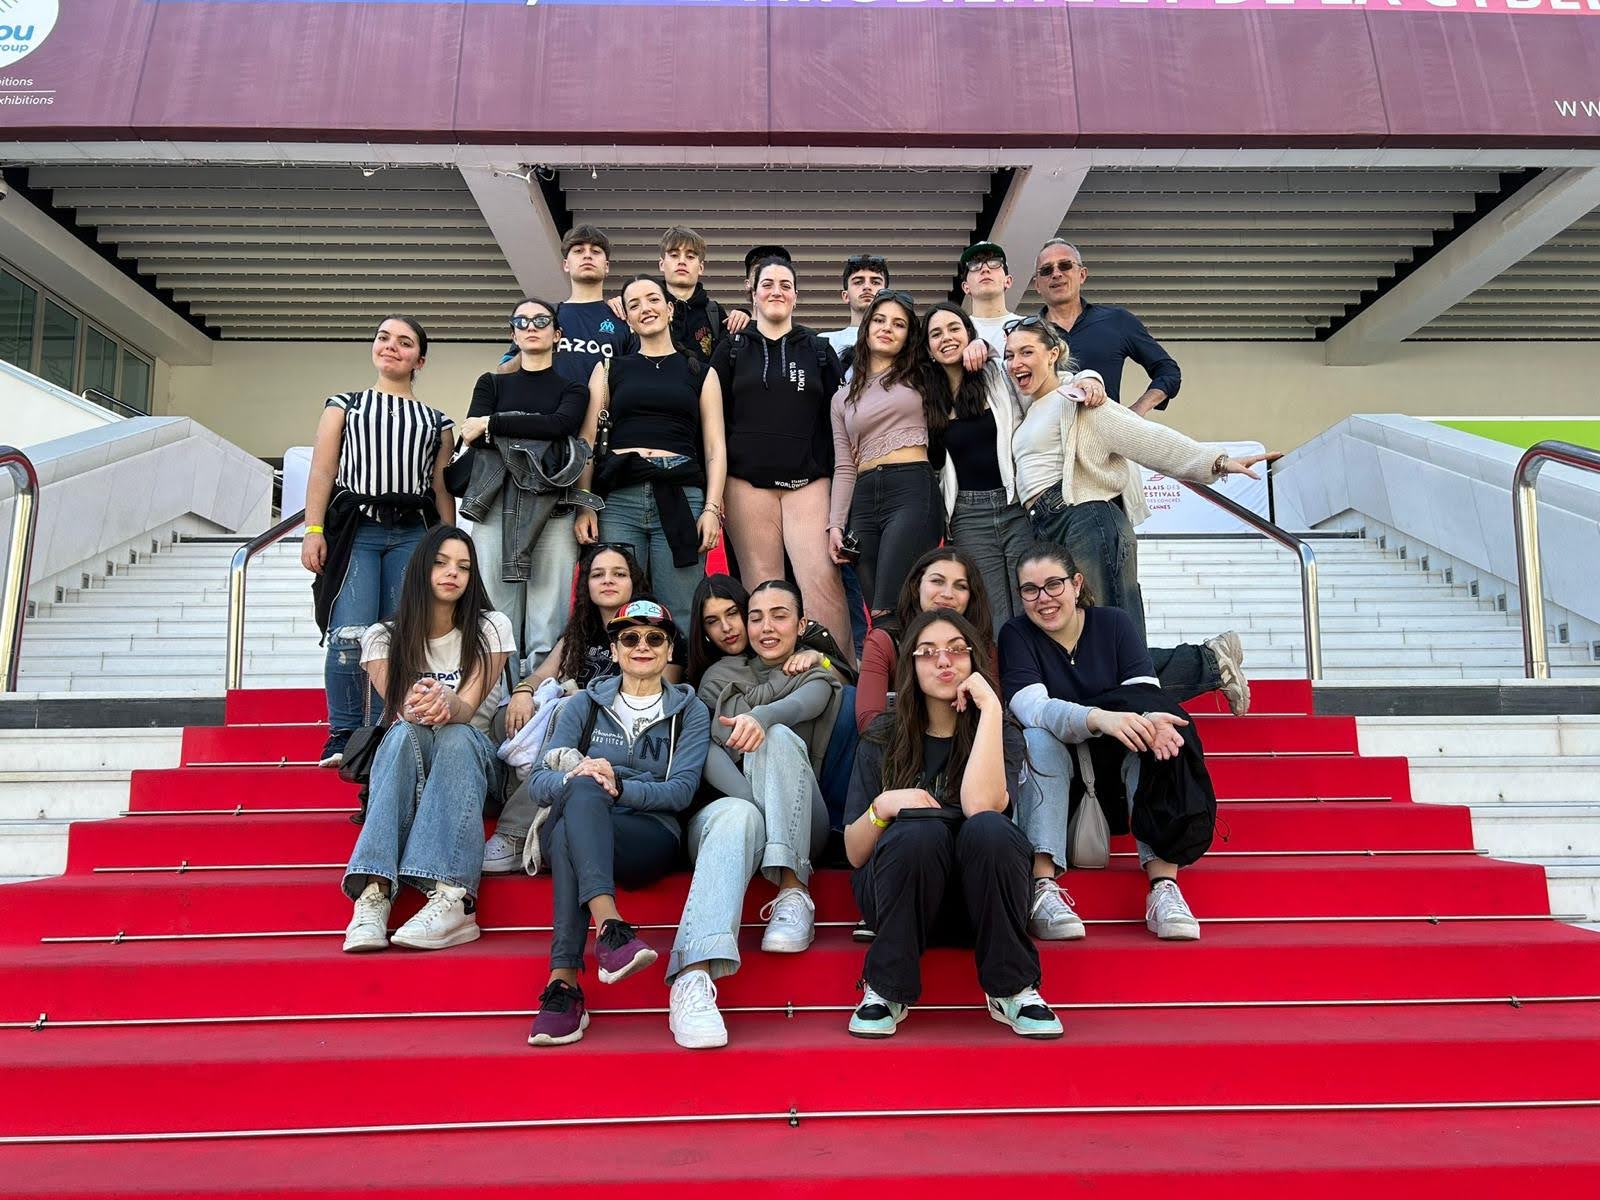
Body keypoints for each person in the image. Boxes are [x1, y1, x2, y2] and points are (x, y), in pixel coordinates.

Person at [1006, 316, 1262, 714]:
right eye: (1009, 355)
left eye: (1027, 352)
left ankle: (1206, 665)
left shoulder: (1076, 400)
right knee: (1094, 646)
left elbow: (1144, 438)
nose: (1016, 362)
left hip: (1085, 519)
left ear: (1053, 354)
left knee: (1106, 645)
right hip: (1048, 525)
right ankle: (1211, 660)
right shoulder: (1029, 411)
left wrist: (1216, 461)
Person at [843, 608, 1061, 1039]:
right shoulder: (884, 734)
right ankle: (886, 988)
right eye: (927, 652)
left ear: (974, 660)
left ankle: (1012, 988)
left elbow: (982, 806)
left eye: (957, 650)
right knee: (919, 831)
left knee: (990, 829)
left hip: (979, 904)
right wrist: (884, 805)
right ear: (910, 665)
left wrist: (991, 709)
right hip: (899, 898)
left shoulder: (1001, 733)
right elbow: (853, 851)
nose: (943, 661)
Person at [1001, 543, 1211, 943]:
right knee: (1037, 738)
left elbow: (1143, 695)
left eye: (1054, 584)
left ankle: (1163, 886)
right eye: (1030, 590)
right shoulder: (1016, 634)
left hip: (1114, 780)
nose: (1043, 598)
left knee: (1157, 733)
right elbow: (1033, 709)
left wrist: (1146, 721)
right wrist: (1099, 718)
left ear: (1076, 584)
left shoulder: (1114, 624)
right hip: (1058, 784)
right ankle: (1042, 886)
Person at [666, 578, 843, 1048]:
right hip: (736, 818)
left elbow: (805, 703)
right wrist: (751, 804)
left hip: (803, 821)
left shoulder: (813, 669)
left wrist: (761, 718)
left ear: (801, 624)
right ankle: (692, 977)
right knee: (735, 817)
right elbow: (702, 746)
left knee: (778, 736)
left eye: (779, 616)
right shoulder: (716, 677)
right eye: (757, 617)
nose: (765, 627)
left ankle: (793, 892)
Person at [525, 600, 711, 1046]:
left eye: (655, 638)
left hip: (647, 834)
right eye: (630, 637)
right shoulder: (583, 706)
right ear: (614, 649)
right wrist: (581, 776)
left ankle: (564, 984)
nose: (642, 646)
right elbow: (538, 782)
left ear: (669, 649)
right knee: (581, 791)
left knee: (575, 817)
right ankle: (610, 929)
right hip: (583, 816)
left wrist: (618, 785)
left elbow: (680, 791)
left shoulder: (690, 711)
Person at [341, 526, 514, 953]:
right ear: (420, 568)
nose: (453, 573)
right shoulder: (382, 636)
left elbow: (468, 708)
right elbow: (404, 708)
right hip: (411, 762)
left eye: (464, 567)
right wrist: (422, 703)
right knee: (405, 731)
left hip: (473, 766)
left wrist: (447, 702)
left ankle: (453, 897)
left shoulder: (491, 627)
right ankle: (374, 893)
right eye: (441, 563)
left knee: (456, 734)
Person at [303, 316, 455, 768]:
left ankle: (388, 728)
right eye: (384, 338)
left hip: (413, 533)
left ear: (419, 360)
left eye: (405, 342)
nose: (391, 346)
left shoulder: (438, 422)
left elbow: (440, 489)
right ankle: (343, 732)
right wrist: (313, 530)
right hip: (358, 530)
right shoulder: (344, 405)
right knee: (349, 633)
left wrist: (447, 547)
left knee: (399, 635)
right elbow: (323, 471)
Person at [480, 543, 682, 873]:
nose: (608, 580)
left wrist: (583, 700)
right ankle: (506, 799)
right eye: (598, 574)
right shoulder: (580, 630)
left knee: (566, 712)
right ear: (586, 584)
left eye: (619, 574)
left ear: (634, 582)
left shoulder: (654, 629)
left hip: (617, 731)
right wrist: (523, 691)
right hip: (571, 720)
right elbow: (543, 673)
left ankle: (515, 833)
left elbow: (659, 695)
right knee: (506, 715)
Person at [711, 257, 853, 660]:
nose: (777, 291)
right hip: (746, 484)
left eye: (785, 285)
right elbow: (713, 421)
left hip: (808, 482)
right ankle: (772, 676)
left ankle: (838, 673)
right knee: (763, 588)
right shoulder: (732, 348)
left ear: (796, 296)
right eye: (768, 284)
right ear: (752, 292)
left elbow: (838, 421)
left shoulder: (819, 350)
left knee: (821, 580)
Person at [574, 274, 727, 628]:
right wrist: (585, 504)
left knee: (682, 610)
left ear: (669, 309)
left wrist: (711, 508)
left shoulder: (701, 372)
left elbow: (715, 446)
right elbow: (587, 440)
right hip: (619, 498)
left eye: (653, 299)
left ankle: (681, 667)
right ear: (627, 319)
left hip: (681, 495)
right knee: (617, 606)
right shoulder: (609, 368)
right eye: (635, 304)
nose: (645, 308)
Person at [458, 297, 592, 669]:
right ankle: (494, 691)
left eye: (541, 320)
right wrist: (533, 428)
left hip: (554, 505)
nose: (531, 326)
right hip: (495, 503)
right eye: (521, 321)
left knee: (549, 613)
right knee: (496, 610)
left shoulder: (574, 389)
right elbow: (473, 436)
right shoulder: (491, 383)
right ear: (513, 334)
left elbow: (561, 426)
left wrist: (495, 423)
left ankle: (539, 692)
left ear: (557, 334)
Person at [827, 290, 945, 621]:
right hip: (863, 500)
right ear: (866, 327)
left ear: (909, 336)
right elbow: (844, 466)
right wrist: (835, 524)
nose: (887, 328)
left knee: (890, 604)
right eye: (879, 320)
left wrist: (979, 346)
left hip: (911, 489)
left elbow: (962, 359)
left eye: (899, 324)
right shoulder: (841, 399)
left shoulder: (924, 376)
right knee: (878, 615)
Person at [923, 302, 1036, 632]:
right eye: (936, 333)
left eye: (954, 328)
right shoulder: (926, 395)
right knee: (992, 612)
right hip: (968, 516)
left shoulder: (995, 375)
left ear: (969, 334)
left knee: (1031, 600)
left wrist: (986, 346)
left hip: (1015, 505)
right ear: (928, 349)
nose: (946, 338)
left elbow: (1035, 371)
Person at [855, 546, 997, 733]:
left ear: (971, 596)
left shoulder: (983, 646)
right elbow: (869, 722)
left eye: (961, 586)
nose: (948, 594)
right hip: (902, 746)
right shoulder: (884, 642)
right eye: (937, 581)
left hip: (971, 744)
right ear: (916, 586)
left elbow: (994, 718)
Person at [1032, 238, 1177, 415]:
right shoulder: (1026, 333)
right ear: (1037, 285)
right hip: (1047, 431)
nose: (1056, 274)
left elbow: (1168, 371)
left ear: (1082, 275)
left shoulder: (1117, 320)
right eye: (1046, 270)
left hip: (1105, 430)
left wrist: (1137, 411)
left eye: (1065, 265)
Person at [657, 226, 748, 364]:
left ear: (700, 267)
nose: (682, 261)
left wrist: (743, 317)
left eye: (690, 256)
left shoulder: (714, 313)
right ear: (661, 264)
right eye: (674, 255)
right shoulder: (649, 309)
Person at [822, 253, 889, 360]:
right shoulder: (826, 342)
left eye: (875, 282)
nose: (867, 287)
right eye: (858, 282)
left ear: (887, 294)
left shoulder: (900, 340)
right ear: (845, 296)